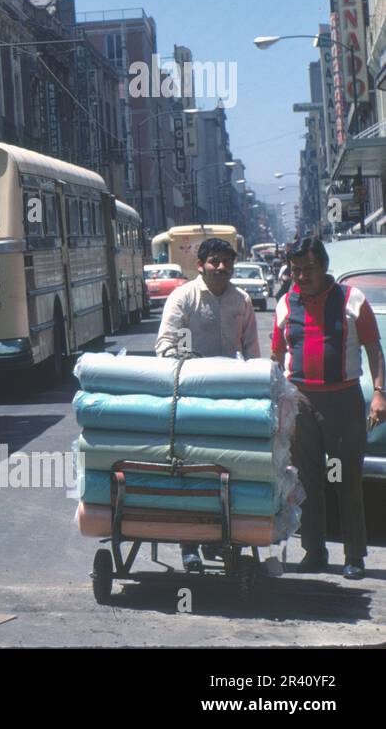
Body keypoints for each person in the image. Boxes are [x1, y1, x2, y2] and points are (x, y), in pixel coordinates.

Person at [272, 236, 386, 580]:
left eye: (308, 269)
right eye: (295, 271)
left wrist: (379, 393)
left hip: (343, 402)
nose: (302, 277)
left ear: (323, 267)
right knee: (306, 480)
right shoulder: (284, 304)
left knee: (346, 479)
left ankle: (354, 555)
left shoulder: (353, 300)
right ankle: (314, 550)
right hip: (301, 402)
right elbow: (276, 357)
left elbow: (373, 349)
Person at [155, 237, 261, 573]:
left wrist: (255, 388)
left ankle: (218, 538)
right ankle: (189, 545)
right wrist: (188, 368)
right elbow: (165, 345)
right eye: (214, 261)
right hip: (189, 399)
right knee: (189, 468)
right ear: (201, 265)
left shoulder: (240, 301)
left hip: (227, 400)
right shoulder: (184, 298)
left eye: (227, 262)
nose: (221, 267)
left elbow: (252, 351)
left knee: (223, 468)